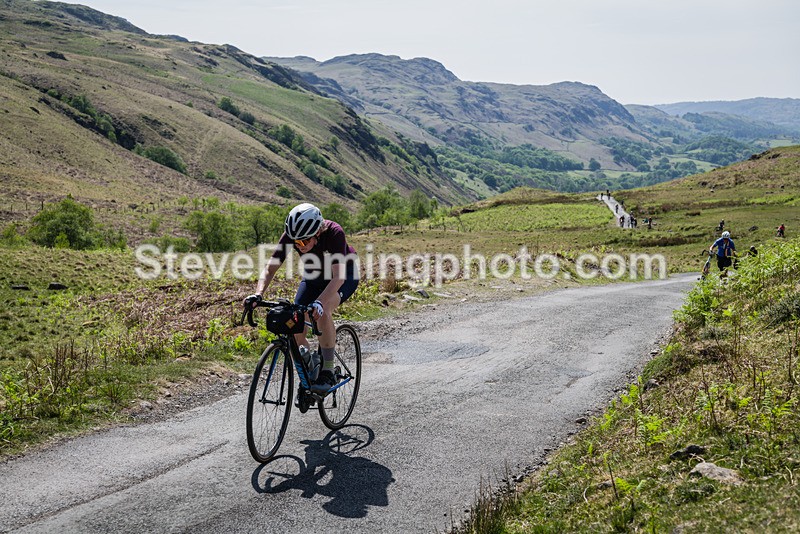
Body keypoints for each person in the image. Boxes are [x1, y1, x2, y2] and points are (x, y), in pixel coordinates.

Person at [244, 203, 359, 395]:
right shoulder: (293, 235)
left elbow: (338, 277)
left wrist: (320, 303)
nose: (299, 246)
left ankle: (328, 370)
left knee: (322, 313)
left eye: (304, 243)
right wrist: (258, 293)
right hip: (314, 277)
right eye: (296, 243)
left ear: (318, 233)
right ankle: (311, 367)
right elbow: (270, 268)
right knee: (294, 323)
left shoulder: (334, 233)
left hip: (343, 276)